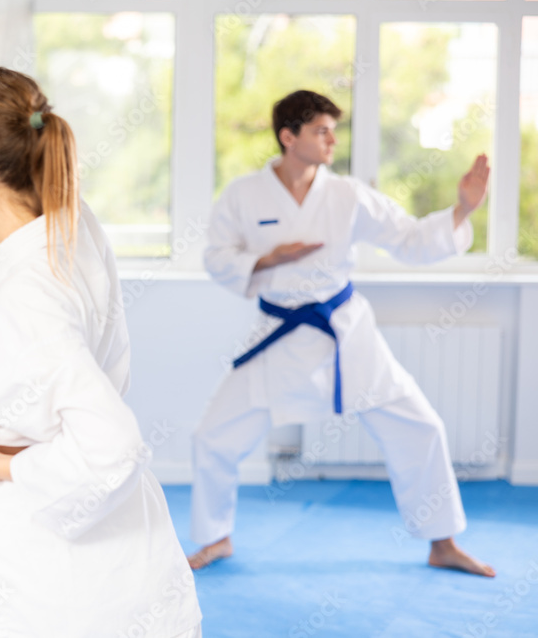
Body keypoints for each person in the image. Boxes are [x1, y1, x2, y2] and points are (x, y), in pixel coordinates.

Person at [0, 68, 202, 637]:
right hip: (117, 551)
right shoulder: (71, 220)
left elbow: (113, 447)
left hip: (38, 556)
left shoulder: (27, 296)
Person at [188, 89, 495, 577]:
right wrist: (269, 258)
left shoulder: (348, 194)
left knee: (422, 427)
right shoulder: (244, 194)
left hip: (345, 334)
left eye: (335, 130)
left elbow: (410, 239)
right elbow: (216, 257)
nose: (332, 140)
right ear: (288, 137)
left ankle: (443, 542)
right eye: (321, 130)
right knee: (212, 437)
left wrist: (462, 211)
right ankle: (215, 537)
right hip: (279, 332)